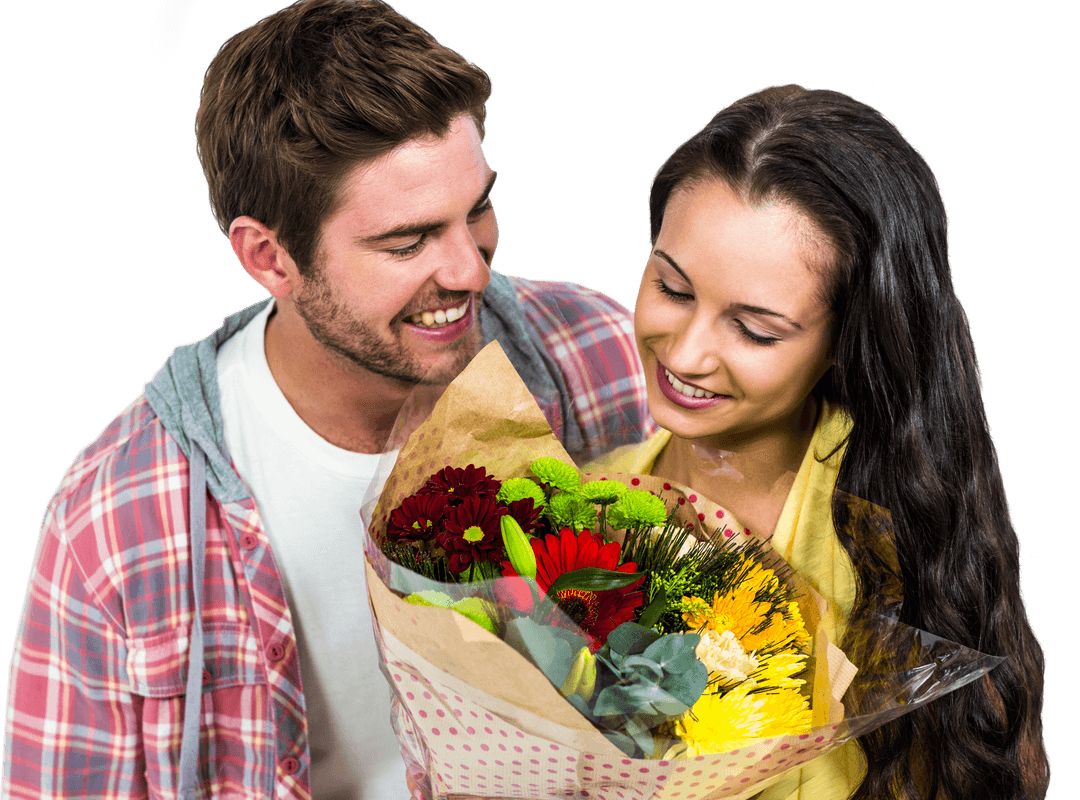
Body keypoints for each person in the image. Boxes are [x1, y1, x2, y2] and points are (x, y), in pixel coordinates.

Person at [0, 2, 651, 798]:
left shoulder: (605, 356)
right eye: (408, 241)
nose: (470, 270)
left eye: (475, 209)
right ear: (269, 257)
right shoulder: (116, 524)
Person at [600, 85, 1050, 799]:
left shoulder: (901, 550)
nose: (685, 355)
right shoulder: (579, 510)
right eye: (673, 289)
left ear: (847, 340)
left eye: (755, 329)